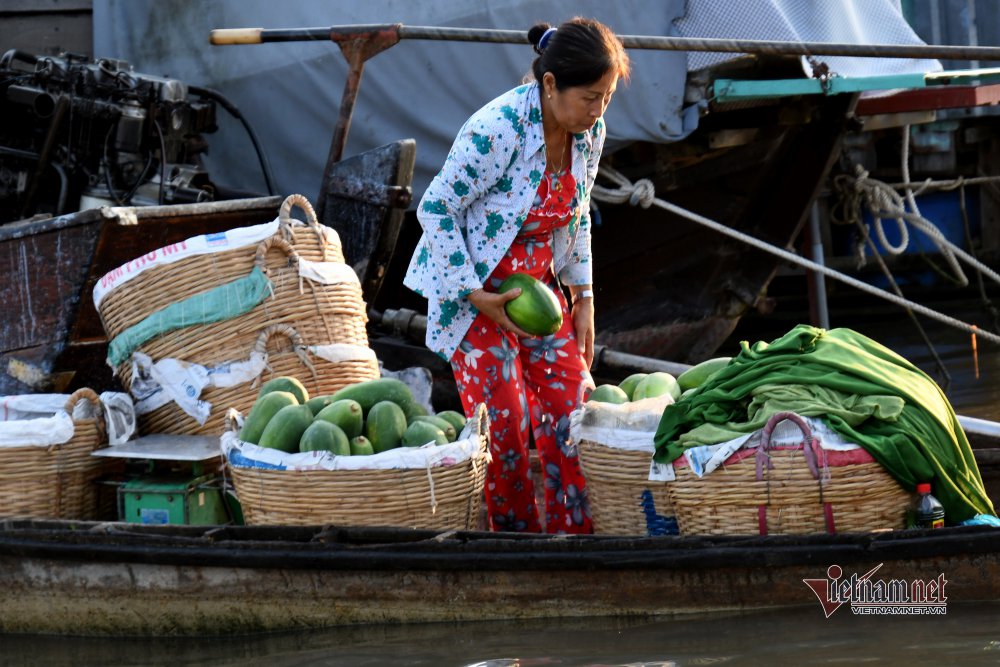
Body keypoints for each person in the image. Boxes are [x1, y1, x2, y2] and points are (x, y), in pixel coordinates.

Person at [404, 17, 630, 533]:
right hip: (476, 293)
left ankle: (577, 539)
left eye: (607, 97)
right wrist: (474, 292)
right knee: (506, 431)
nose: (599, 111)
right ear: (550, 85)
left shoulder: (588, 133)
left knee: (573, 415)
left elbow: (577, 213)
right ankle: (514, 543)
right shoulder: (497, 129)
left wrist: (584, 297)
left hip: (540, 290)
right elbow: (435, 208)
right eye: (590, 97)